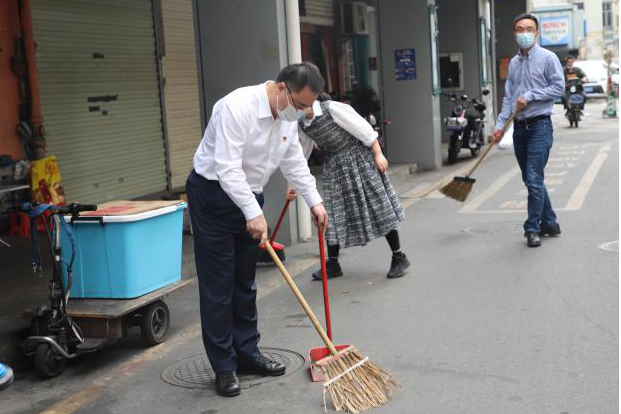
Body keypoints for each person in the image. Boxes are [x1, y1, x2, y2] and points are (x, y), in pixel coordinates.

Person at [186, 62, 328, 397]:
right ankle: (224, 366)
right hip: (213, 196)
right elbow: (226, 167)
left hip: (250, 194)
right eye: (301, 104)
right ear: (282, 89)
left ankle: (247, 353)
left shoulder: (286, 117)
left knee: (244, 283)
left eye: (310, 106)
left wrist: (315, 201)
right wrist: (252, 211)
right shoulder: (236, 108)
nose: (304, 112)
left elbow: (293, 160)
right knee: (219, 286)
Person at [289, 92, 409, 279]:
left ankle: (399, 256)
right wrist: (294, 184)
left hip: (359, 160)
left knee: (379, 207)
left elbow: (364, 129)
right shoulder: (302, 124)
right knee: (333, 214)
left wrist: (378, 153)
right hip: (335, 168)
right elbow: (301, 154)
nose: (295, 107)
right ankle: (333, 263)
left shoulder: (333, 108)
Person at [493, 13, 564, 248]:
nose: (524, 33)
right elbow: (509, 98)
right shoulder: (514, 63)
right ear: (515, 33)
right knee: (531, 179)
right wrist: (500, 125)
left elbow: (559, 88)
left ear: (536, 32)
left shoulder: (548, 58)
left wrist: (531, 96)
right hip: (519, 128)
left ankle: (532, 228)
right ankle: (551, 222)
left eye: (529, 29)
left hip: (540, 126)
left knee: (534, 179)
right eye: (520, 29)